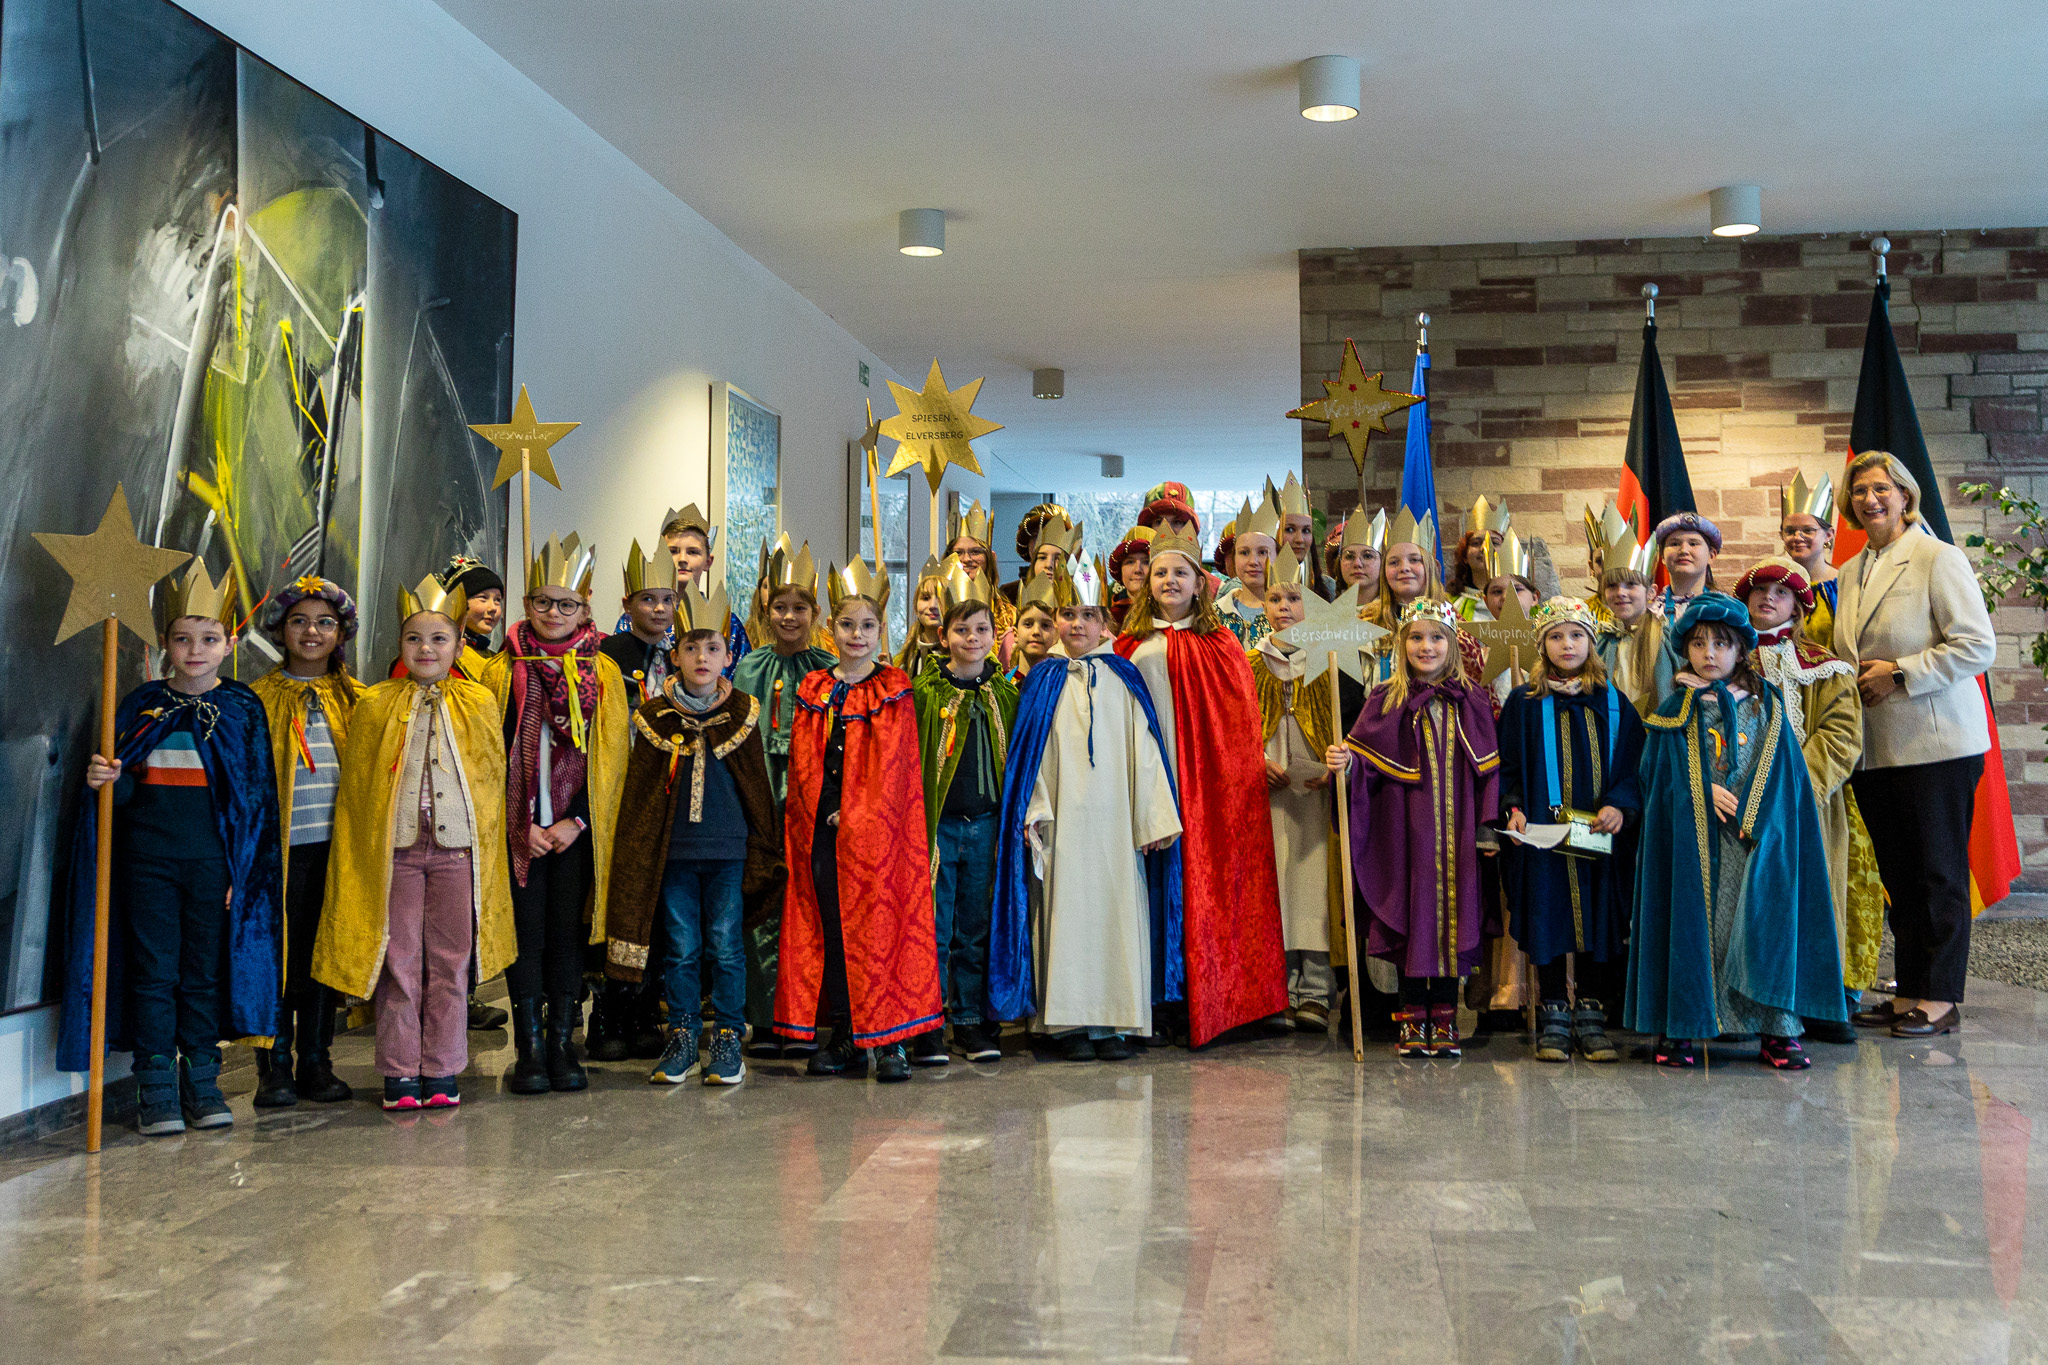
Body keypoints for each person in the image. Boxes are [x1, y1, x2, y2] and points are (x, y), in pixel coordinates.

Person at [63, 563, 281, 1135]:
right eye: (183, 639)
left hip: (212, 866)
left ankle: (203, 1084)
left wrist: (243, 872)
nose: (195, 650)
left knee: (201, 973)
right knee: (154, 970)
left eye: (209, 639)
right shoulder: (140, 707)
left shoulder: (240, 710)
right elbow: (126, 795)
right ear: (165, 643)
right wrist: (108, 780)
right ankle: (156, 1088)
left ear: (229, 643)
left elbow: (254, 803)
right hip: (148, 864)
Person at [312, 577, 513, 1110]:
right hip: (396, 853)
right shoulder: (375, 703)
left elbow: (491, 779)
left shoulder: (479, 700)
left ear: (459, 644)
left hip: (456, 852)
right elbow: (360, 789)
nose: (426, 649)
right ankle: (400, 1070)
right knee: (399, 960)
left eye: (439, 639)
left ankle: (443, 1066)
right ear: (399, 646)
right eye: (414, 639)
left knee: (451, 961)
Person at [1625, 594, 1846, 1070]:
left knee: (1763, 926)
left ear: (1741, 650)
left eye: (1721, 644)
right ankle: (1683, 1025)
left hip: (1754, 840)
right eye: (1699, 643)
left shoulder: (1766, 704)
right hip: (1693, 839)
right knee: (1692, 927)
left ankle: (1775, 1030)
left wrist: (1753, 810)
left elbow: (1788, 773)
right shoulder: (1674, 707)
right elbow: (1655, 776)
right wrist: (1698, 790)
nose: (1709, 653)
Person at [1834, 451, 1999, 1038]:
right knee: (1899, 876)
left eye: (1881, 489)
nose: (1870, 499)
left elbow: (1978, 646)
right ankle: (1910, 992)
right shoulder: (1852, 571)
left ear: (1906, 496)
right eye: (1859, 492)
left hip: (1937, 746)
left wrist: (1900, 671)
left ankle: (1941, 996)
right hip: (1875, 750)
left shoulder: (1937, 557)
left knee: (1938, 872)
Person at [990, 556, 1181, 1059]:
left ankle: (1113, 1024)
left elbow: (1145, 749)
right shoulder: (1042, 680)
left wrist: (1155, 816)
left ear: (1105, 623)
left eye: (1088, 615)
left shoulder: (1123, 676)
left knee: (1117, 914)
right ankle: (1068, 1025)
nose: (1077, 624)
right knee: (1064, 913)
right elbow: (1028, 759)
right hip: (1063, 827)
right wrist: (1034, 811)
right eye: (1068, 614)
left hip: (1116, 828)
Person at [602, 574, 783, 1087]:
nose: (701, 657)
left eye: (713, 647)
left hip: (728, 853)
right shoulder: (655, 717)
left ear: (728, 655)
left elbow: (757, 794)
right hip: (676, 854)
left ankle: (727, 1036)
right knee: (681, 948)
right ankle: (682, 1035)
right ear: (674, 654)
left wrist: (760, 852)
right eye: (690, 647)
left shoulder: (744, 713)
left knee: (725, 947)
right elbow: (640, 802)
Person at [1115, 525, 1288, 1047]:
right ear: (1148, 584)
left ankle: (1220, 998)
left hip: (1210, 787)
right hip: (1150, 778)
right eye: (1161, 572)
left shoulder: (1221, 644)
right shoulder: (1128, 644)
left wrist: (1232, 775)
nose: (1169, 581)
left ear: (1200, 584)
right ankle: (1158, 1002)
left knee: (1212, 884)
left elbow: (1236, 720)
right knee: (1153, 887)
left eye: (1180, 573)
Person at [775, 560, 940, 1081]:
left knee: (881, 931)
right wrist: (820, 812)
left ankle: (892, 1041)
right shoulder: (813, 689)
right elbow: (804, 764)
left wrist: (861, 813)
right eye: (847, 625)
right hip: (823, 835)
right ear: (832, 628)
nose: (857, 636)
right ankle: (845, 1035)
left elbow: (896, 771)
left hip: (878, 840)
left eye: (868, 626)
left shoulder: (894, 689)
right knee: (835, 931)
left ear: (881, 629)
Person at [478, 533, 630, 1095]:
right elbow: (488, 760)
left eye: (567, 604)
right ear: (526, 606)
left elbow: (611, 763)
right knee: (526, 936)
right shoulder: (500, 674)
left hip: (574, 833)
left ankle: (565, 1041)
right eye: (543, 602)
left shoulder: (603, 675)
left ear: (585, 610)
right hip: (519, 832)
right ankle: (531, 1048)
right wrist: (523, 827)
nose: (554, 614)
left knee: (567, 935)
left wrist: (576, 822)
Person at [1343, 599, 1500, 1059]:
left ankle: (1445, 1016)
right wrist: (1347, 762)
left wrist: (1488, 826)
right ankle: (1413, 1015)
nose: (1426, 646)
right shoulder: (1384, 701)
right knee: (1413, 913)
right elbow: (1364, 759)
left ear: (1452, 645)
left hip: (1460, 833)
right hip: (1404, 832)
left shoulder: (1471, 700)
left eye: (1436, 638)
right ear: (1401, 644)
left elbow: (1489, 770)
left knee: (1454, 915)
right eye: (1416, 637)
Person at [1735, 556, 1881, 1044]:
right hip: (1736, 804)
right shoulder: (1724, 660)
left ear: (1798, 608)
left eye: (1781, 592)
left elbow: (1841, 735)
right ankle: (1746, 1005)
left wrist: (1795, 786)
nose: (1768, 598)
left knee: (1811, 898)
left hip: (1811, 805)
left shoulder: (1827, 667)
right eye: (1759, 590)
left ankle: (1817, 1001)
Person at [1497, 598, 1643, 1064]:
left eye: (1576, 635)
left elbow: (1633, 766)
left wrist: (1621, 805)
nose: (1567, 644)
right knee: (1547, 911)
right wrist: (1513, 808)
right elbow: (1510, 767)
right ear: (1542, 645)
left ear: (1591, 641)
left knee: (1601, 914)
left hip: (1599, 833)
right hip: (1543, 830)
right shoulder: (1524, 703)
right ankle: (1555, 1010)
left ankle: (1593, 1013)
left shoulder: (1615, 702)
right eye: (1556, 636)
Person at [248, 576, 360, 1109]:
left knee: (321, 957)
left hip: (334, 854)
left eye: (324, 622)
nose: (311, 631)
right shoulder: (256, 701)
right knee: (276, 958)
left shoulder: (358, 700)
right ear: (280, 630)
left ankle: (317, 1058)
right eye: (299, 621)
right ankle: (273, 1065)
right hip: (276, 855)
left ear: (341, 633)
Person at [913, 568, 1021, 1064]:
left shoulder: (1005, 695)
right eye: (961, 630)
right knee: (934, 927)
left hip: (987, 828)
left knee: (974, 929)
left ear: (995, 637)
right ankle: (928, 1023)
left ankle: (972, 1022)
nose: (971, 638)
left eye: (980, 630)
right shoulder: (925, 693)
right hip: (939, 826)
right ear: (943, 636)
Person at [731, 542, 836, 1047]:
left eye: (800, 608)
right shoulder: (749, 667)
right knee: (763, 904)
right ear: (765, 609)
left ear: (816, 613)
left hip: (810, 800)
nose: (789, 617)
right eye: (780, 607)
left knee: (809, 903)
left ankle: (808, 1011)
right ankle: (767, 1017)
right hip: (762, 801)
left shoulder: (828, 669)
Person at [1248, 549, 1353, 1032]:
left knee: (1313, 888)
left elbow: (1350, 728)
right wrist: (1254, 761)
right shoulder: (1248, 664)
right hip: (1265, 794)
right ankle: (1274, 988)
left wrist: (1336, 765)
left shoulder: (1331, 663)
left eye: (1294, 597)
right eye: (1275, 597)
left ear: (1312, 604)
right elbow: (1235, 728)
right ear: (1263, 606)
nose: (1284, 606)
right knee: (1273, 887)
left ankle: (1312, 988)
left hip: (1317, 795)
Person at [1361, 509, 1488, 687]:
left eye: (1414, 560)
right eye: (1394, 562)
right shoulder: (1364, 623)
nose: (1404, 568)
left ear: (1433, 567)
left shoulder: (1455, 625)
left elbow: (1473, 683)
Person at [661, 504, 751, 674]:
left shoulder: (729, 624)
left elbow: (739, 680)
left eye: (693, 552)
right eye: (673, 551)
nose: (682, 559)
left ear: (708, 562)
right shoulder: (639, 617)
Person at [1591, 519, 1664, 711]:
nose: (1620, 592)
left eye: (1630, 584)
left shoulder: (1668, 640)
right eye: (1612, 586)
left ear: (1651, 592)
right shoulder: (1599, 642)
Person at [600, 540, 680, 705]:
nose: (660, 608)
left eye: (667, 600)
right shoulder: (608, 652)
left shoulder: (679, 658)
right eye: (648, 599)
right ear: (627, 605)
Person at [1779, 471, 1842, 651]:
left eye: (1808, 530)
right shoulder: (1775, 585)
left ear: (1828, 535)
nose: (1798, 537)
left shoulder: (1845, 584)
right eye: (1790, 531)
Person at [945, 501, 1018, 636]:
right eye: (958, 553)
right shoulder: (937, 605)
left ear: (990, 558)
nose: (966, 559)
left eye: (975, 552)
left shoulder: (1009, 614)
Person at [1215, 494, 1278, 648]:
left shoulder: (1289, 613)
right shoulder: (1214, 615)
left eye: (1263, 552)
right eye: (1244, 552)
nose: (1253, 562)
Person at [1652, 511, 1720, 619]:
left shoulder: (1725, 611)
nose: (1684, 550)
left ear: (1711, 556)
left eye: (1693, 543)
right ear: (1662, 557)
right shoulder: (1649, 613)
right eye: (1674, 544)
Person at [1448, 497, 1507, 621]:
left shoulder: (1523, 602)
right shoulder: (1450, 606)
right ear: (1464, 556)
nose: (1485, 548)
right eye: (1476, 543)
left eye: (1494, 543)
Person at [895, 556, 947, 677]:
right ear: (916, 606)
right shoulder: (903, 660)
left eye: (940, 599)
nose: (933, 605)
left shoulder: (960, 658)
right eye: (925, 598)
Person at [1008, 586, 1062, 683]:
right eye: (1028, 624)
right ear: (1015, 634)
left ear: (1056, 635)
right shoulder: (1002, 685)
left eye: (1045, 625)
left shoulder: (1063, 683)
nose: (1036, 632)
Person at [1332, 510, 1385, 606]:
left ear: (1382, 563)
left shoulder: (1397, 616)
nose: (1357, 564)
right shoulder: (1327, 616)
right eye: (1349, 556)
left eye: (1368, 556)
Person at [1108, 525, 1154, 629]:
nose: (1138, 569)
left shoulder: (1170, 615)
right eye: (1130, 562)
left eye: (1146, 562)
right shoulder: (1109, 616)